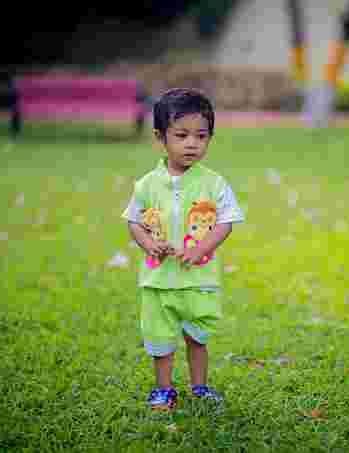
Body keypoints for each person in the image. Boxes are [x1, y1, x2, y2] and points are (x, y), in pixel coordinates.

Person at [121, 88, 245, 411]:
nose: (192, 143)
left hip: (198, 280)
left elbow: (226, 222)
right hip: (158, 281)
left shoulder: (214, 184)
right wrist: (149, 243)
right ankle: (164, 389)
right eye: (181, 135)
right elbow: (133, 221)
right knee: (161, 339)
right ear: (160, 136)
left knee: (197, 337)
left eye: (201, 136)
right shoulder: (147, 185)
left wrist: (201, 248)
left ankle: (199, 387)